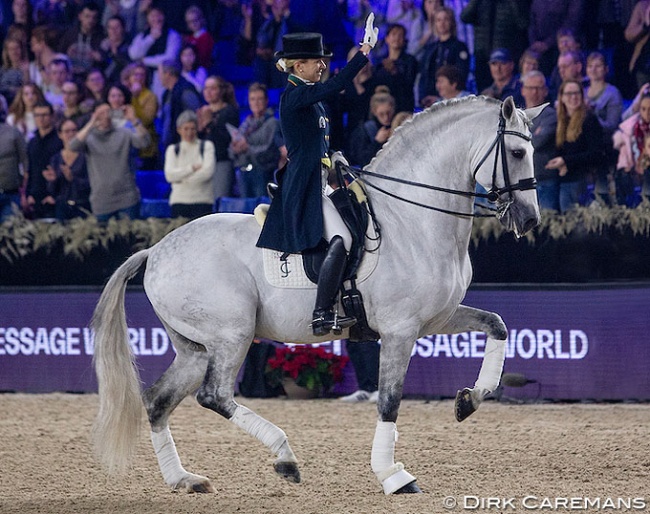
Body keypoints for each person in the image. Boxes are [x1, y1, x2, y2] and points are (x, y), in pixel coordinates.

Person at [256, 16, 379, 337]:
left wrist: (334, 156)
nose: (322, 66)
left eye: (323, 61)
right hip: (304, 184)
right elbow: (337, 85)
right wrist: (363, 53)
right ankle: (322, 312)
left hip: (319, 179)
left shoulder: (312, 100)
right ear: (298, 67)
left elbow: (316, 141)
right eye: (316, 62)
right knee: (343, 238)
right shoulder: (295, 96)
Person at [69, 102, 151, 221]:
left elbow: (145, 142)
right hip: (102, 200)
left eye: (108, 112)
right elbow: (73, 146)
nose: (106, 116)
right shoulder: (89, 137)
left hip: (127, 197)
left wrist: (133, 119)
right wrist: (92, 123)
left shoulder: (124, 133)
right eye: (101, 113)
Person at [545, 79, 603, 213]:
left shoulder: (589, 120)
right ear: (562, 98)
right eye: (569, 94)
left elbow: (596, 154)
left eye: (577, 93)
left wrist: (566, 161)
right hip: (565, 182)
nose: (574, 97)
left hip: (581, 182)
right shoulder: (561, 122)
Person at [460, 0, 529, 93]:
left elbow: (523, 23)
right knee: (484, 95)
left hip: (505, 57)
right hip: (482, 57)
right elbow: (464, 17)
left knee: (508, 93)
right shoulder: (481, 2)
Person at [230, 82, 281, 198]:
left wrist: (247, 148)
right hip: (244, 171)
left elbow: (269, 149)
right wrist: (235, 148)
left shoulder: (273, 123)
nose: (256, 103)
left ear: (266, 101)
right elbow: (234, 147)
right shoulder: (246, 123)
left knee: (260, 208)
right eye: (252, 99)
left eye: (259, 99)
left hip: (262, 172)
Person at [584, 51, 623, 205]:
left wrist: (592, 114)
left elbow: (612, 126)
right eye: (590, 66)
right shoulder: (582, 91)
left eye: (598, 66)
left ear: (606, 69)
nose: (593, 69)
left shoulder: (612, 93)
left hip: (605, 146)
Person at [163, 110, 216, 220]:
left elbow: (207, 173)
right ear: (179, 130)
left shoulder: (207, 146)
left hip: (202, 201)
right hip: (179, 202)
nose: (189, 133)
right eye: (186, 129)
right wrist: (191, 168)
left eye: (192, 129)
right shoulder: (173, 150)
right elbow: (169, 176)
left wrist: (181, 180)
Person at [417, 6, 470, 108]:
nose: (442, 23)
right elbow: (423, 75)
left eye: (446, 19)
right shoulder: (430, 49)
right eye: (438, 20)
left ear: (452, 22)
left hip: (451, 100)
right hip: (429, 101)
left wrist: (440, 98)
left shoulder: (459, 47)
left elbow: (461, 74)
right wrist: (423, 97)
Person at [197, 75, 240, 200]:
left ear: (221, 91)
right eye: (206, 88)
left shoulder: (229, 111)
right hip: (204, 161)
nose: (208, 92)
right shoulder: (203, 111)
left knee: (220, 199)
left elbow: (226, 138)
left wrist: (209, 123)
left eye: (213, 88)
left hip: (222, 160)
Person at [128, 6, 182, 103]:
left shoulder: (173, 35)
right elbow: (134, 54)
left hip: (162, 77)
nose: (156, 19)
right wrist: (151, 38)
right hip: (144, 76)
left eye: (159, 15)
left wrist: (145, 61)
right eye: (152, 16)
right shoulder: (143, 35)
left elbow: (170, 58)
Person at [521, 70, 558, 211]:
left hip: (544, 180)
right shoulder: (517, 116)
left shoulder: (550, 115)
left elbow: (537, 142)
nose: (534, 92)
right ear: (523, 91)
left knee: (547, 226)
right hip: (521, 183)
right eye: (530, 88)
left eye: (539, 88)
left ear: (545, 91)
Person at [42, 118, 91, 220]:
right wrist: (53, 180)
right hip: (62, 207)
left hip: (83, 206)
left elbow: (91, 183)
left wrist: (73, 179)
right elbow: (53, 190)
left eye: (74, 130)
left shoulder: (87, 156)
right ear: (60, 134)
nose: (71, 134)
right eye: (67, 131)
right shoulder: (56, 159)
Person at [25, 101, 63, 219]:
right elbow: (30, 170)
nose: (41, 119)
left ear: (52, 116)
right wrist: (28, 194)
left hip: (54, 196)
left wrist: (55, 195)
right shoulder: (32, 142)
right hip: (34, 197)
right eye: (37, 115)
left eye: (44, 115)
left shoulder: (59, 141)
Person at [613, 92, 650, 206]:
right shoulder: (629, 131)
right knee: (623, 175)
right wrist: (627, 166)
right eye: (643, 109)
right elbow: (624, 156)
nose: (647, 113)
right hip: (635, 171)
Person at [372, 23, 417, 113]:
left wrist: (394, 72)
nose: (396, 38)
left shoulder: (410, 61)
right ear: (387, 39)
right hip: (382, 108)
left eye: (400, 35)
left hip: (403, 107)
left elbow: (408, 85)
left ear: (404, 40)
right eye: (394, 34)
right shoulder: (380, 62)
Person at [158, 59, 203, 150]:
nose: (159, 77)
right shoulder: (167, 93)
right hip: (171, 146)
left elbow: (196, 117)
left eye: (160, 73)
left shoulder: (185, 91)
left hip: (185, 146)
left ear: (168, 74)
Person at [122, 61, 159, 169]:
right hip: (124, 145)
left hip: (144, 148)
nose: (138, 77)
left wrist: (135, 97)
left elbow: (146, 120)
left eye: (142, 75)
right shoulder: (122, 93)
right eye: (135, 74)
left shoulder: (150, 96)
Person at [348, 87, 396, 167]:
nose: (386, 118)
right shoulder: (366, 129)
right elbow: (362, 161)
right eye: (381, 114)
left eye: (389, 113)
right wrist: (376, 142)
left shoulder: (398, 123)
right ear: (374, 112)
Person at [58, 1, 105, 80]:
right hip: (70, 75)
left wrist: (100, 58)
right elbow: (60, 54)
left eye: (94, 17)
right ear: (80, 16)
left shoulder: (101, 37)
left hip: (91, 77)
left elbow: (105, 59)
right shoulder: (70, 34)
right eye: (87, 16)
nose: (90, 20)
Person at [0, 105, 28, 223]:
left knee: (10, 234)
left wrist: (24, 194)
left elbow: (26, 164)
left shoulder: (13, 133)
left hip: (11, 193)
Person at [183, 5, 214, 70]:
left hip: (202, 69)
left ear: (201, 19)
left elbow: (203, 57)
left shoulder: (206, 37)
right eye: (190, 22)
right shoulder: (190, 38)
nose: (193, 24)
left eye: (195, 20)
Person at [0, 37, 29, 105]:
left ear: (21, 49)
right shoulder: (2, 70)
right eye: (11, 49)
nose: (14, 51)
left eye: (17, 48)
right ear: (7, 52)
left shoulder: (28, 68)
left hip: (20, 102)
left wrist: (26, 72)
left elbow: (28, 87)